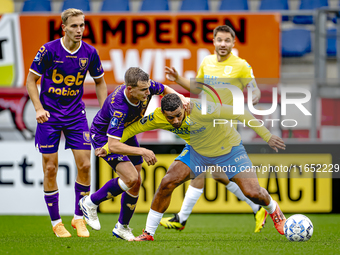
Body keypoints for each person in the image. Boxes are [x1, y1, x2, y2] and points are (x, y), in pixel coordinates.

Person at [101, 93, 286, 241]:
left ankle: (274, 209)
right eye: (170, 118)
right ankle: (148, 233)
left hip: (229, 149)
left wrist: (267, 136)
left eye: (178, 116)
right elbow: (130, 131)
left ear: (184, 107)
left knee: (252, 192)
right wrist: (106, 146)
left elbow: (239, 113)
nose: (174, 121)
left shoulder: (203, 109)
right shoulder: (158, 117)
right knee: (167, 182)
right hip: (197, 151)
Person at [163, 25, 264, 232]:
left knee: (199, 169)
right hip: (204, 121)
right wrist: (178, 79)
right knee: (217, 174)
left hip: (223, 123)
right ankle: (256, 207)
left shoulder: (241, 65)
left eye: (227, 40)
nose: (223, 44)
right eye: (219, 40)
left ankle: (181, 219)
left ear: (233, 43)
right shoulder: (207, 62)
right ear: (214, 41)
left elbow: (253, 85)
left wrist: (254, 93)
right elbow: (198, 88)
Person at [79, 67, 188, 241]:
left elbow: (165, 88)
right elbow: (113, 145)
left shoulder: (146, 86)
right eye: (144, 90)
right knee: (131, 178)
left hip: (126, 132)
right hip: (104, 137)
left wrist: (181, 97)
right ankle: (90, 203)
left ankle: (122, 227)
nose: (148, 92)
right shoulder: (119, 106)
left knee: (136, 182)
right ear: (130, 89)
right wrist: (143, 151)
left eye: (148, 88)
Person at [26, 8, 107, 238]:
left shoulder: (90, 53)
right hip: (49, 116)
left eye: (82, 25)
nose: (79, 30)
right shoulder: (48, 50)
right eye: (74, 26)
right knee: (50, 168)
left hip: (75, 115)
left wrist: (104, 111)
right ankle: (56, 222)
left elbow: (100, 83)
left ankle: (79, 218)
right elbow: (31, 81)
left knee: (85, 165)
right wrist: (38, 109)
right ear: (64, 28)